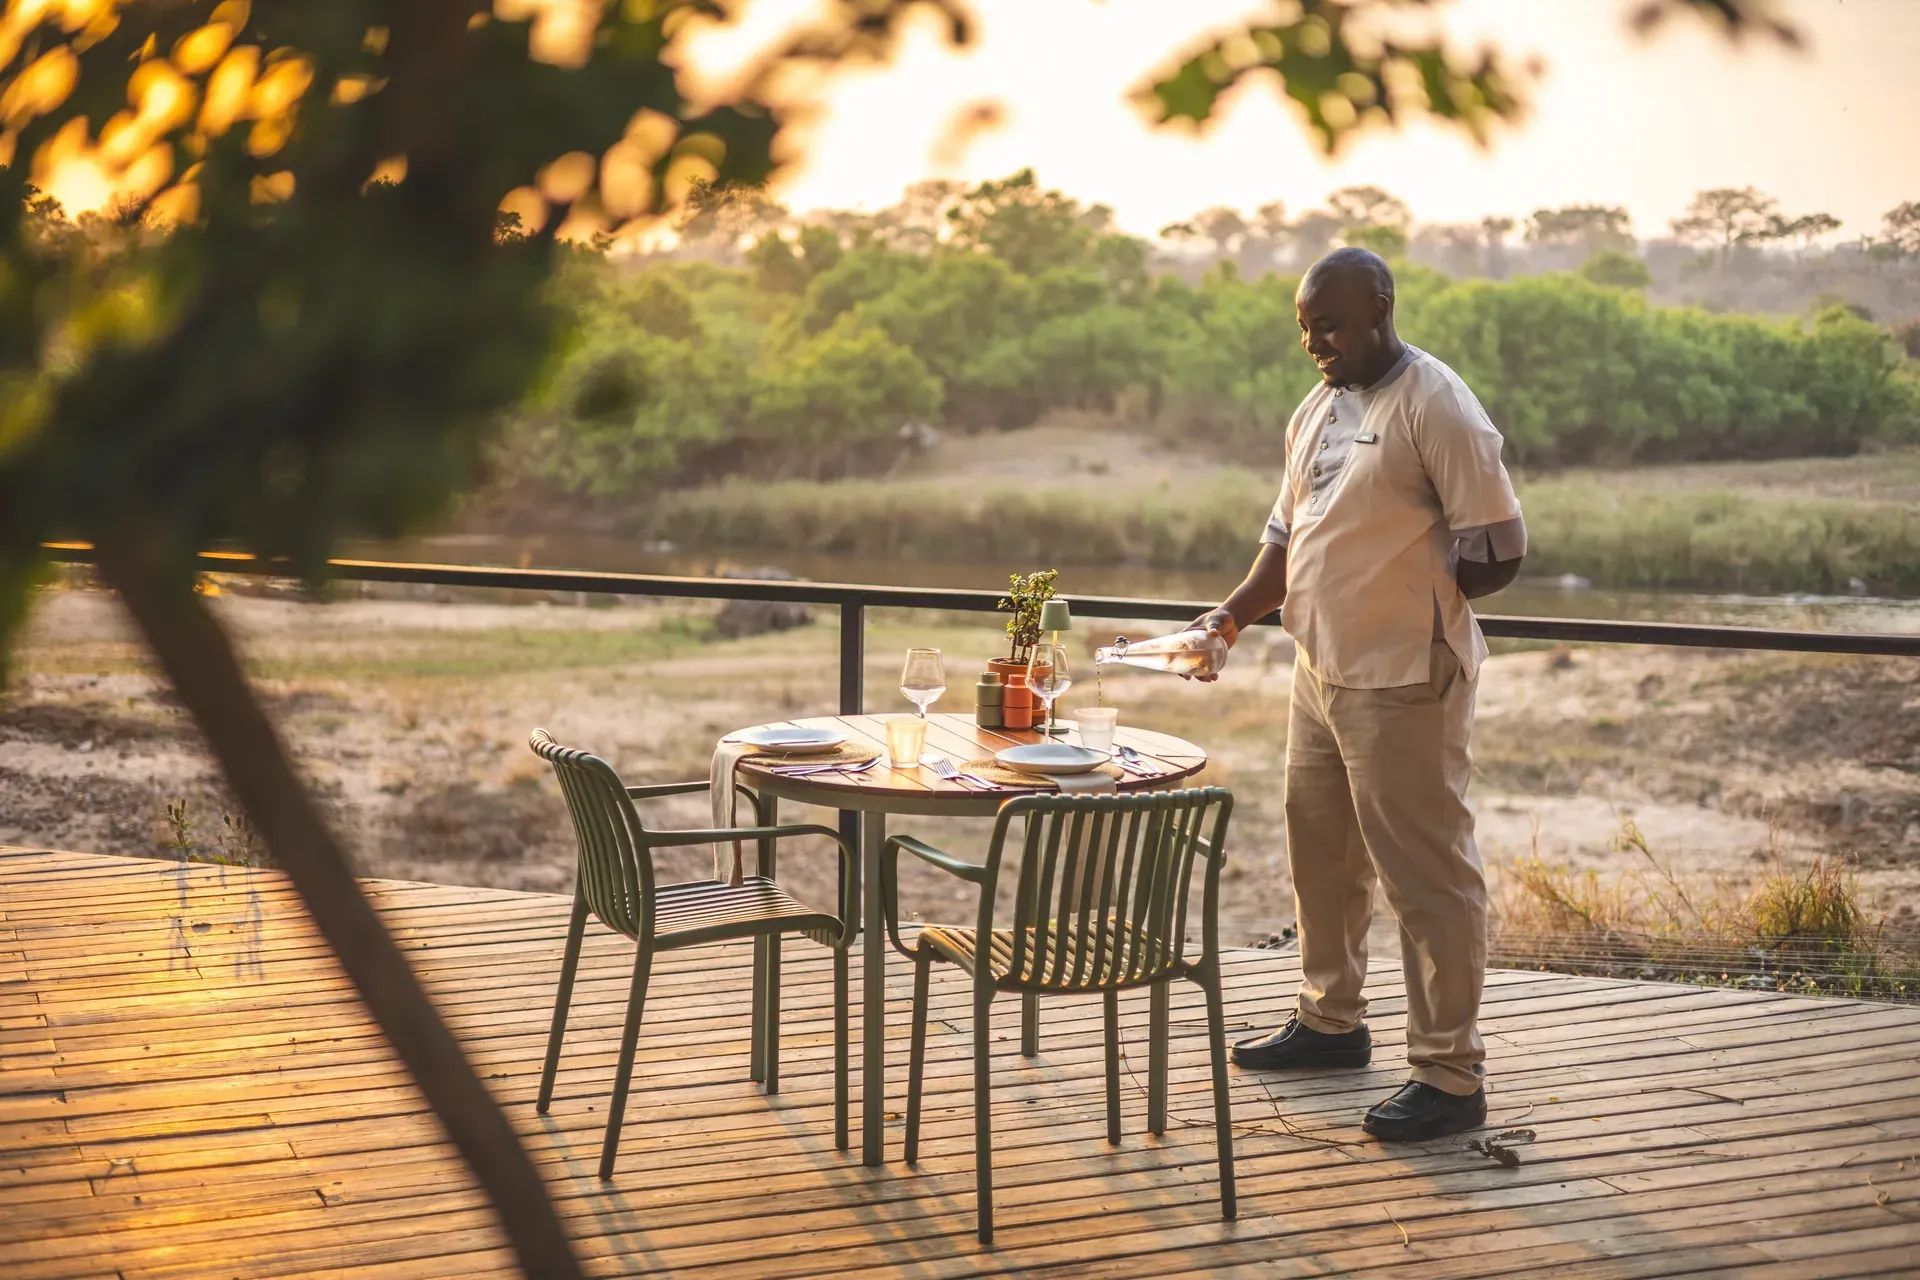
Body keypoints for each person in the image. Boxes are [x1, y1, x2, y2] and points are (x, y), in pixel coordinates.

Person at [1193, 247, 1526, 1142]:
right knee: (1323, 858)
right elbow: (1284, 537)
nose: (1316, 343)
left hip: (1407, 677)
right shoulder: (1317, 408)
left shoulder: (1437, 405)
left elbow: (1502, 543)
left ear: (1380, 306)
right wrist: (1225, 620)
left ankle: (1451, 1075)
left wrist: (1415, 596)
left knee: (1428, 879)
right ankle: (1331, 1023)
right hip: (1319, 669)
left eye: (1330, 325)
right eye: (1305, 329)